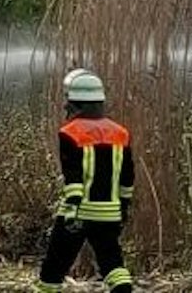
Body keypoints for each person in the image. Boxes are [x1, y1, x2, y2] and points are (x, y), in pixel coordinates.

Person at [36, 68, 136, 293]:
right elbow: (128, 177)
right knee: (112, 261)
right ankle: (123, 288)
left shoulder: (70, 132)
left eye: (67, 102)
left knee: (54, 266)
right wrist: (124, 208)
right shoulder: (121, 133)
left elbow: (73, 176)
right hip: (110, 212)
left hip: (79, 211)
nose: (65, 107)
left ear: (76, 104)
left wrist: (71, 210)